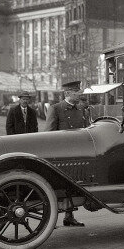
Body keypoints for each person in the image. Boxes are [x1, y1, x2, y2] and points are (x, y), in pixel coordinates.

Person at [45, 80, 88, 227]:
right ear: (68, 93)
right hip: (61, 154)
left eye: (79, 92)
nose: (79, 95)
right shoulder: (56, 109)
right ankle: (50, 221)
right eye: (76, 93)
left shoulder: (81, 108)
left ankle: (69, 216)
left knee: (73, 187)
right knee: (57, 187)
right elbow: (49, 134)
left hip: (78, 153)